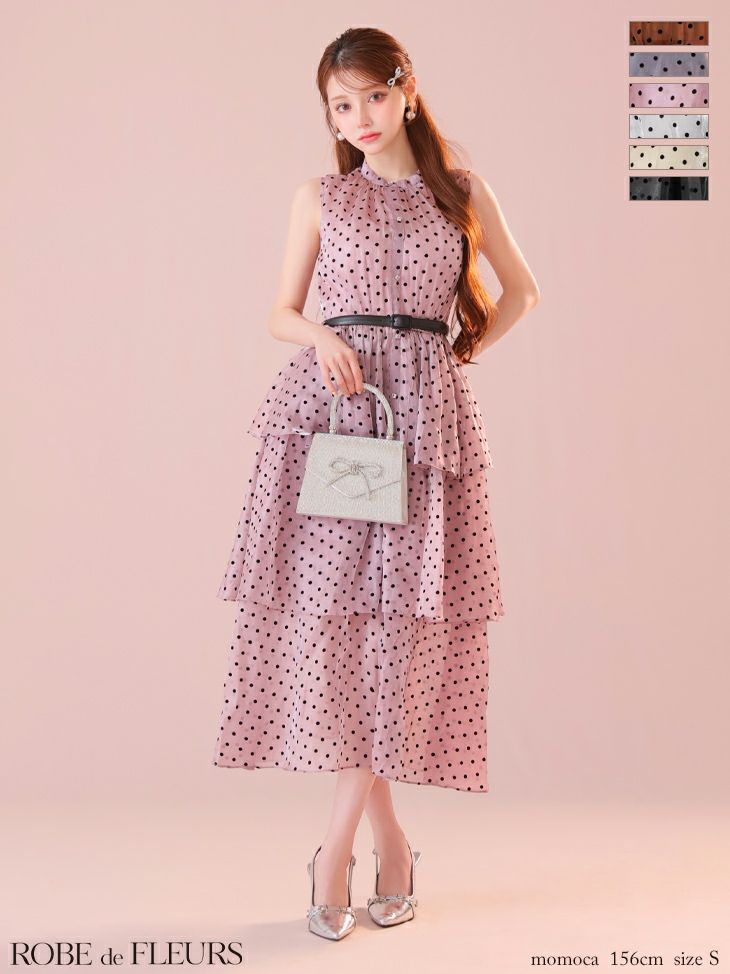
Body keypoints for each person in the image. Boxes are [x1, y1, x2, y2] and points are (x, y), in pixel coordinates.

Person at [212, 26, 540, 941]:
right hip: (336, 425)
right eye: (339, 105)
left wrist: (455, 354)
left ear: (407, 91)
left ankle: (337, 850)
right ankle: (387, 844)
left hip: (424, 431)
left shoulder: (461, 192)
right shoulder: (320, 196)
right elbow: (281, 311)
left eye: (372, 96)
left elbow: (523, 291)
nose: (358, 117)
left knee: (399, 636)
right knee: (347, 635)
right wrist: (323, 336)